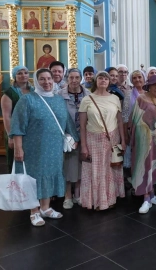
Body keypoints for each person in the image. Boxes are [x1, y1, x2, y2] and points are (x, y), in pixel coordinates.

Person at [10, 68, 79, 226]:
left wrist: (74, 138)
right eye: (42, 79)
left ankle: (45, 208)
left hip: (54, 148)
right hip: (34, 148)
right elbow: (18, 126)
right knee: (33, 178)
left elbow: (67, 121)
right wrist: (18, 148)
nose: (46, 82)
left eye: (49, 79)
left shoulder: (58, 100)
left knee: (50, 175)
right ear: (36, 81)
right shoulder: (27, 100)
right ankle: (33, 211)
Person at [79, 71, 126, 211]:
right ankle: (95, 200)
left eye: (106, 78)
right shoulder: (87, 99)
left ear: (109, 81)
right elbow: (82, 125)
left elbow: (119, 120)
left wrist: (123, 140)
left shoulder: (115, 98)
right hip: (93, 138)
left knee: (110, 169)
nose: (104, 80)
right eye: (101, 77)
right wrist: (83, 146)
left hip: (112, 138)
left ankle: (110, 198)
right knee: (95, 169)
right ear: (96, 80)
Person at [130, 74, 156, 213]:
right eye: (154, 85)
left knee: (155, 166)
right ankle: (145, 198)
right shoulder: (142, 99)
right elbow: (135, 119)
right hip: (145, 140)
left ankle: (152, 195)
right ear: (149, 86)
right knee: (146, 165)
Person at [58, 68, 90, 209]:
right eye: (71, 77)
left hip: (85, 133)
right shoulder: (59, 95)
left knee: (82, 164)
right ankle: (67, 196)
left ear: (81, 78)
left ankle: (78, 194)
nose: (74, 80)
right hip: (67, 135)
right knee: (68, 165)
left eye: (77, 77)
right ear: (67, 79)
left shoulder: (88, 94)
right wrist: (66, 133)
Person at [0, 65, 34, 171]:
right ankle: (16, 185)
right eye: (19, 73)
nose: (23, 75)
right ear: (14, 76)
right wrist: (11, 136)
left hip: (31, 130)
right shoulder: (9, 93)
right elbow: (7, 116)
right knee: (16, 159)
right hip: (15, 130)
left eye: (25, 72)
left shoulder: (34, 90)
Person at [116, 64, 133, 186]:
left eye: (125, 72)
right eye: (120, 72)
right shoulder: (110, 88)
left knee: (127, 150)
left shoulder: (131, 88)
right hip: (114, 123)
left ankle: (127, 177)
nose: (123, 74)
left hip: (127, 123)